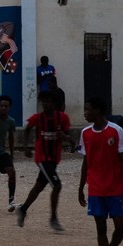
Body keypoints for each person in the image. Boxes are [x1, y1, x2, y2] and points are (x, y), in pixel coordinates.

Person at [79, 96, 123, 246]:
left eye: (88, 109)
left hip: (115, 187)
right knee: (101, 229)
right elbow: (86, 161)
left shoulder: (116, 131)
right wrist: (80, 188)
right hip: (95, 188)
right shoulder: (85, 133)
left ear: (98, 111)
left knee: (120, 228)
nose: (85, 113)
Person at [16, 91, 73, 232]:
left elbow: (70, 137)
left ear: (54, 104)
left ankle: (23, 209)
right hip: (42, 157)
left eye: (48, 102)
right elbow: (27, 129)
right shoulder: (38, 118)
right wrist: (26, 148)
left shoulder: (62, 118)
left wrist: (66, 139)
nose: (45, 104)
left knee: (39, 186)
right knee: (57, 185)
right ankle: (53, 218)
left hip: (54, 158)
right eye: (43, 102)